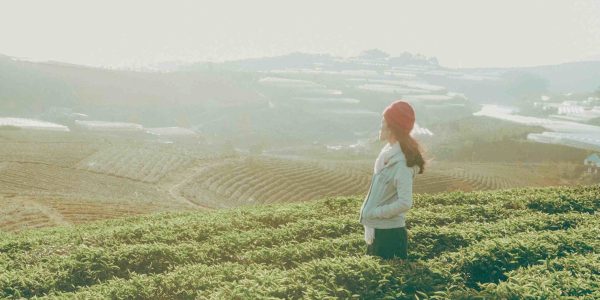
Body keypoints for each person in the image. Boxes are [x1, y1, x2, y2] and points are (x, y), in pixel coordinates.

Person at [358, 100, 425, 261]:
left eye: (383, 122)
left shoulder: (401, 164)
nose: (380, 127)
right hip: (378, 232)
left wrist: (375, 213)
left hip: (389, 237)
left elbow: (405, 202)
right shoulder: (387, 154)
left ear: (392, 128)